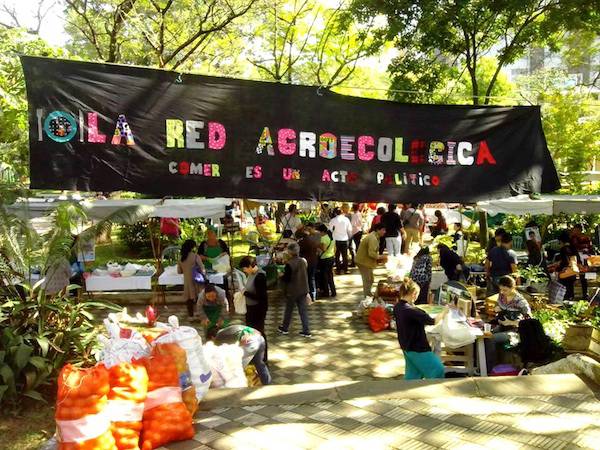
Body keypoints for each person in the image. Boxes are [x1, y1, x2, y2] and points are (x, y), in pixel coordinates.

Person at [393, 278, 445, 380]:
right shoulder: (411, 311)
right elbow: (432, 321)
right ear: (413, 294)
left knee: (413, 375)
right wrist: (445, 311)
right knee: (437, 370)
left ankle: (408, 394)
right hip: (417, 347)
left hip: (406, 345)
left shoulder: (398, 307)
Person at [485, 275, 531, 371]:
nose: (502, 292)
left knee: (491, 339)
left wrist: (511, 322)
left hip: (515, 331)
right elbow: (499, 307)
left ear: (512, 288)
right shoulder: (501, 296)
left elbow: (529, 321)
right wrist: (497, 309)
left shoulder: (520, 301)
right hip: (502, 326)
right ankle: (483, 364)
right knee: (485, 336)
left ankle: (490, 368)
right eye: (500, 290)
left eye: (505, 290)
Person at [278, 242, 311, 337]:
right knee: (303, 311)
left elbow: (287, 278)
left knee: (289, 310)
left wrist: (281, 276)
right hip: (303, 288)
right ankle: (306, 330)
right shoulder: (303, 261)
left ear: (289, 252)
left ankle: (285, 328)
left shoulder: (290, 264)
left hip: (292, 290)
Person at [239, 256, 268, 348]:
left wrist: (245, 293)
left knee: (258, 332)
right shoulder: (251, 274)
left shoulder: (260, 276)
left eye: (244, 268)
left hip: (258, 309)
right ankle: (253, 353)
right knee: (250, 332)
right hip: (250, 308)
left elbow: (260, 297)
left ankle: (263, 356)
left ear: (250, 266)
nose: (244, 271)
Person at [355, 223, 387, 298]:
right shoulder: (373, 238)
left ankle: (368, 295)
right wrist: (381, 257)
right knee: (367, 280)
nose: (384, 232)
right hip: (363, 262)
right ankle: (367, 297)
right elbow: (372, 253)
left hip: (366, 261)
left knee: (371, 279)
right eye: (383, 230)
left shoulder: (375, 236)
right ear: (378, 230)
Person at [177, 239, 206, 317]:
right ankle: (199, 313)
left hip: (187, 281)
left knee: (189, 298)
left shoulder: (181, 258)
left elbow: (179, 271)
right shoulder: (195, 256)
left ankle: (190, 314)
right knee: (198, 297)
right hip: (196, 280)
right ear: (192, 247)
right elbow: (202, 268)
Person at [297, 224, 320, 301]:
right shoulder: (313, 240)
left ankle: (307, 295)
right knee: (312, 278)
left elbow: (299, 252)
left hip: (307, 262)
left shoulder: (302, 242)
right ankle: (313, 295)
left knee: (306, 279)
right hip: (314, 261)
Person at [558, 230, 581, 301]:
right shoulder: (573, 248)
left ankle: (566, 299)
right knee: (571, 286)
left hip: (565, 270)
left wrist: (561, 268)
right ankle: (571, 298)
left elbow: (564, 260)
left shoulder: (563, 249)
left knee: (565, 286)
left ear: (562, 241)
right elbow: (577, 259)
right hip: (573, 270)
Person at [329, 207, 353, 274]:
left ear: (335, 213)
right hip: (344, 239)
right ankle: (346, 269)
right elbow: (349, 230)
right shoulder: (346, 219)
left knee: (337, 255)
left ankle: (338, 270)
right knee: (344, 255)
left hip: (336, 239)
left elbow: (330, 230)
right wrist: (349, 237)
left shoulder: (333, 220)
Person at [570, 224, 590, 300]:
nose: (575, 231)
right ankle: (571, 294)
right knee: (571, 276)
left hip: (583, 258)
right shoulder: (572, 238)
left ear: (580, 230)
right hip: (574, 258)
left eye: (577, 230)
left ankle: (585, 294)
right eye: (574, 230)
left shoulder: (585, 237)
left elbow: (588, 247)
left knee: (584, 276)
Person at [317, 224, 336, 298]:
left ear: (322, 231)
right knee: (330, 276)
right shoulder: (332, 237)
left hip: (325, 259)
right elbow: (335, 248)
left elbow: (324, 249)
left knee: (324, 277)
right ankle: (333, 291)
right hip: (331, 257)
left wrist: (318, 246)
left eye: (319, 232)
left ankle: (326, 292)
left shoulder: (324, 238)